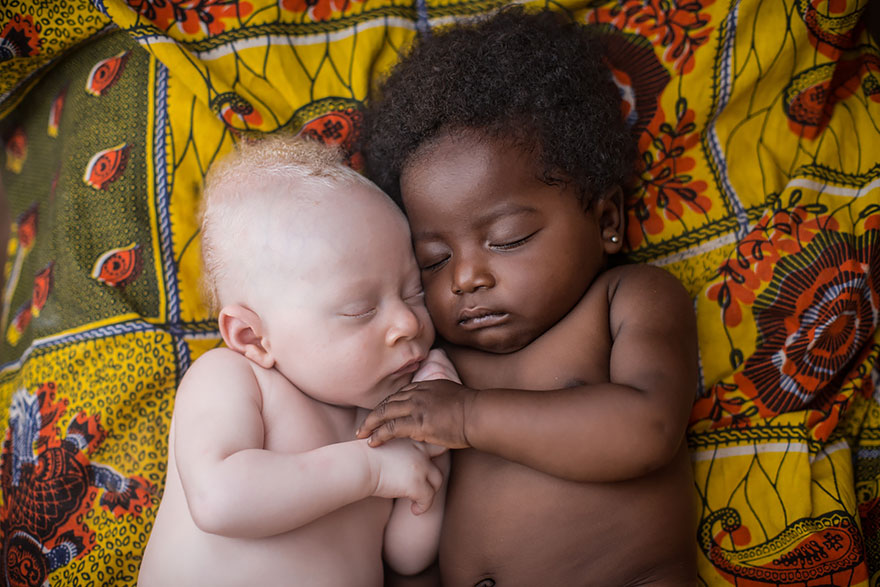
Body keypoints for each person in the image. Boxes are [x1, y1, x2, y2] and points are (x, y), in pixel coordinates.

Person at [356, 7, 699, 585]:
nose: (464, 278)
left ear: (607, 218)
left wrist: (469, 418)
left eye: (508, 239)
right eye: (433, 260)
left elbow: (648, 429)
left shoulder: (626, 301)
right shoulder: (433, 357)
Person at [138, 135, 459, 586]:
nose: (407, 322)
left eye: (414, 293)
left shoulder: (383, 417)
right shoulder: (233, 379)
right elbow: (218, 499)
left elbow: (406, 555)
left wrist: (431, 453)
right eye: (360, 309)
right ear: (253, 336)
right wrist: (369, 470)